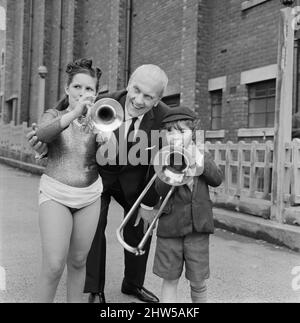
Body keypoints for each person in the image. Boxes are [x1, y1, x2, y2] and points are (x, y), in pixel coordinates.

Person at [27, 64, 171, 303]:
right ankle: (95, 289)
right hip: (100, 175)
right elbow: (62, 118)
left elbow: (161, 159)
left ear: (157, 100)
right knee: (94, 231)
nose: (138, 99)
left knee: (139, 228)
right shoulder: (105, 101)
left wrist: (149, 204)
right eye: (136, 90)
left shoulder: (164, 117)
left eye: (148, 96)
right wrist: (44, 146)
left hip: (136, 179)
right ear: (128, 85)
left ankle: (133, 284)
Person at [32, 58, 103, 302]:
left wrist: (109, 138)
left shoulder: (101, 120)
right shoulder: (55, 114)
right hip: (55, 194)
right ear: (67, 89)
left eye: (89, 89)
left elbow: (112, 159)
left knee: (79, 261)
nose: (83, 93)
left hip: (90, 196)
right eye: (77, 87)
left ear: (96, 93)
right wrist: (74, 113)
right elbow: (42, 133)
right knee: (53, 266)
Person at [152, 106, 223, 303]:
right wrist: (172, 167)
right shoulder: (163, 157)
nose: (174, 137)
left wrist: (198, 157)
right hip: (170, 229)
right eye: (169, 131)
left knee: (198, 281)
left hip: (198, 228)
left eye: (181, 131)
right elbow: (160, 190)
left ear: (193, 134)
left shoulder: (201, 155)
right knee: (169, 279)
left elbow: (217, 179)